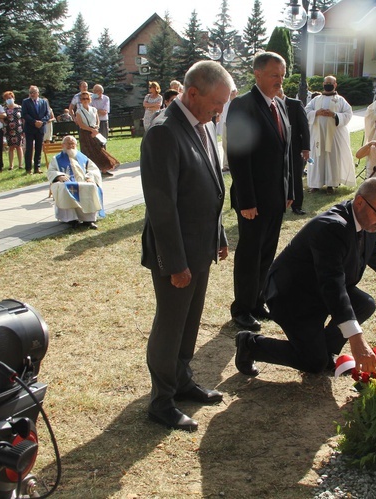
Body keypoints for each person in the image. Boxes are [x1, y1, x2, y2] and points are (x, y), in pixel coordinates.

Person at [234, 178, 376, 377]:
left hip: (318, 290)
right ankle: (250, 344)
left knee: (364, 304)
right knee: (313, 362)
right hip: (292, 297)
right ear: (360, 202)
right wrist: (356, 339)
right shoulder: (332, 227)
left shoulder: (366, 221)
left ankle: (325, 351)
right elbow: (332, 284)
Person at [140, 61, 232, 432]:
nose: (220, 110)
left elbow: (208, 184)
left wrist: (219, 233)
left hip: (200, 247)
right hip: (175, 252)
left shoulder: (202, 124)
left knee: (190, 321)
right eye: (216, 102)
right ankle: (161, 401)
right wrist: (176, 263)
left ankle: (181, 380)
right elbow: (162, 207)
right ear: (191, 93)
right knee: (171, 323)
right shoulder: (164, 132)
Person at [227, 51, 293, 332]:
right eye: (274, 74)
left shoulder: (278, 105)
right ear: (257, 74)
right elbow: (238, 156)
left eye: (282, 74)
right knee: (249, 255)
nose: (280, 80)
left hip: (276, 197)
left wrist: (288, 191)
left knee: (267, 253)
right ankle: (242, 308)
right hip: (253, 200)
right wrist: (247, 200)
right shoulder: (243, 105)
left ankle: (257, 301)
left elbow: (284, 152)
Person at [305, 75, 355, 193]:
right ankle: (315, 184)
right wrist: (316, 112)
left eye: (330, 83)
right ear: (323, 84)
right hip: (318, 135)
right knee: (317, 158)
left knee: (332, 158)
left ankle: (331, 184)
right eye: (326, 82)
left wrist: (334, 115)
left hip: (334, 136)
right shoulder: (316, 100)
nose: (328, 85)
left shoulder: (340, 100)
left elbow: (348, 114)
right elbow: (306, 111)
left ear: (335, 85)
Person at [46, 135, 103, 229]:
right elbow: (51, 171)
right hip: (65, 182)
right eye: (68, 144)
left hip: (83, 181)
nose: (71, 146)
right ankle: (71, 220)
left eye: (73, 144)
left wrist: (90, 177)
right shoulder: (56, 159)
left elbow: (93, 169)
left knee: (91, 187)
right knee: (65, 189)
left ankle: (89, 220)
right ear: (63, 145)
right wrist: (59, 175)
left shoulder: (82, 157)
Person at [74, 91, 119, 177]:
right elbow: (81, 124)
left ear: (90, 99)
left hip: (94, 132)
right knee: (88, 152)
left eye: (87, 98)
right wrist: (91, 129)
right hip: (85, 133)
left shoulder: (93, 109)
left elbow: (98, 120)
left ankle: (104, 169)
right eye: (83, 99)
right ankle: (89, 171)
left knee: (99, 150)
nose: (85, 100)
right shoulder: (79, 111)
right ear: (80, 100)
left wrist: (96, 129)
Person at [279, 88, 310, 215]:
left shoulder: (295, 104)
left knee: (296, 176)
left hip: (295, 148)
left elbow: (304, 127)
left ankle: (297, 205)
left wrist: (306, 148)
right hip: (278, 148)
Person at [21, 85, 50, 175]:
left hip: (40, 128)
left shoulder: (43, 102)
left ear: (38, 93)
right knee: (29, 149)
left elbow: (47, 114)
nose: (32, 94)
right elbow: (24, 114)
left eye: (34, 92)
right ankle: (28, 168)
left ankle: (37, 168)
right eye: (30, 93)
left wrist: (41, 122)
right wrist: (34, 122)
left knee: (38, 149)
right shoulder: (26, 102)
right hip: (30, 128)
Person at [2, 91, 24, 170]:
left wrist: (24, 130)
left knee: (19, 147)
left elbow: (23, 119)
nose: (8, 100)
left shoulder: (19, 108)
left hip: (19, 129)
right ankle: (11, 165)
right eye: (7, 98)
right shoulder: (4, 109)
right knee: (11, 148)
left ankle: (20, 164)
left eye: (10, 98)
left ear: (13, 98)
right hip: (9, 130)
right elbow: (3, 119)